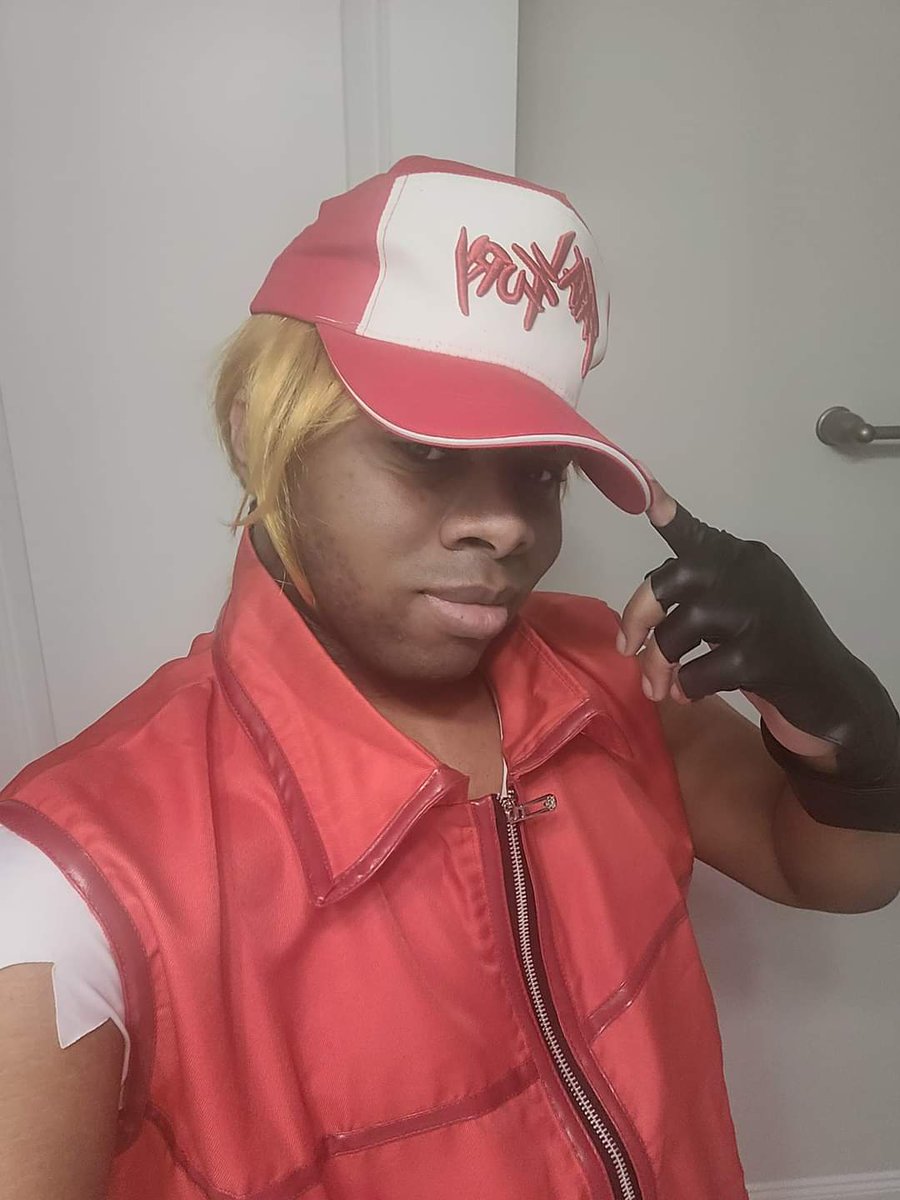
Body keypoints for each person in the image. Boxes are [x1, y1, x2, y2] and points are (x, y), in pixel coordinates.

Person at [1, 155, 898, 1200]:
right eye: (424, 451)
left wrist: (847, 732)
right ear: (260, 431)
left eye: (538, 471)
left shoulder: (604, 677)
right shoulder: (77, 883)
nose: (507, 526)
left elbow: (835, 874)